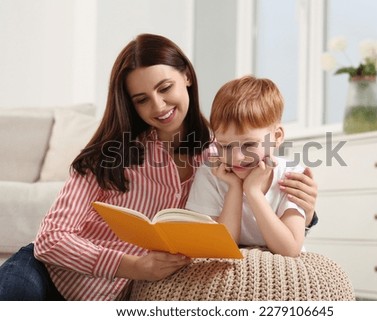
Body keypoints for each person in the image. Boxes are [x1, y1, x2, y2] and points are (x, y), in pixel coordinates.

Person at [0, 34, 317, 301]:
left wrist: (307, 211)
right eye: (142, 99)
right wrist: (133, 267)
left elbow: (250, 214)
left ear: (187, 78)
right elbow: (51, 239)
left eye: (165, 88)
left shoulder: (224, 153)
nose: (159, 106)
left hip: (119, 299)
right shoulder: (110, 153)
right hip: (50, 275)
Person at [186, 76, 309, 257]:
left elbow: (289, 249)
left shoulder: (291, 175)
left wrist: (253, 191)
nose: (237, 157)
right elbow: (218, 248)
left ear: (277, 136)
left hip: (283, 268)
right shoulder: (210, 175)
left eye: (249, 145)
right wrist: (235, 188)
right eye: (225, 146)